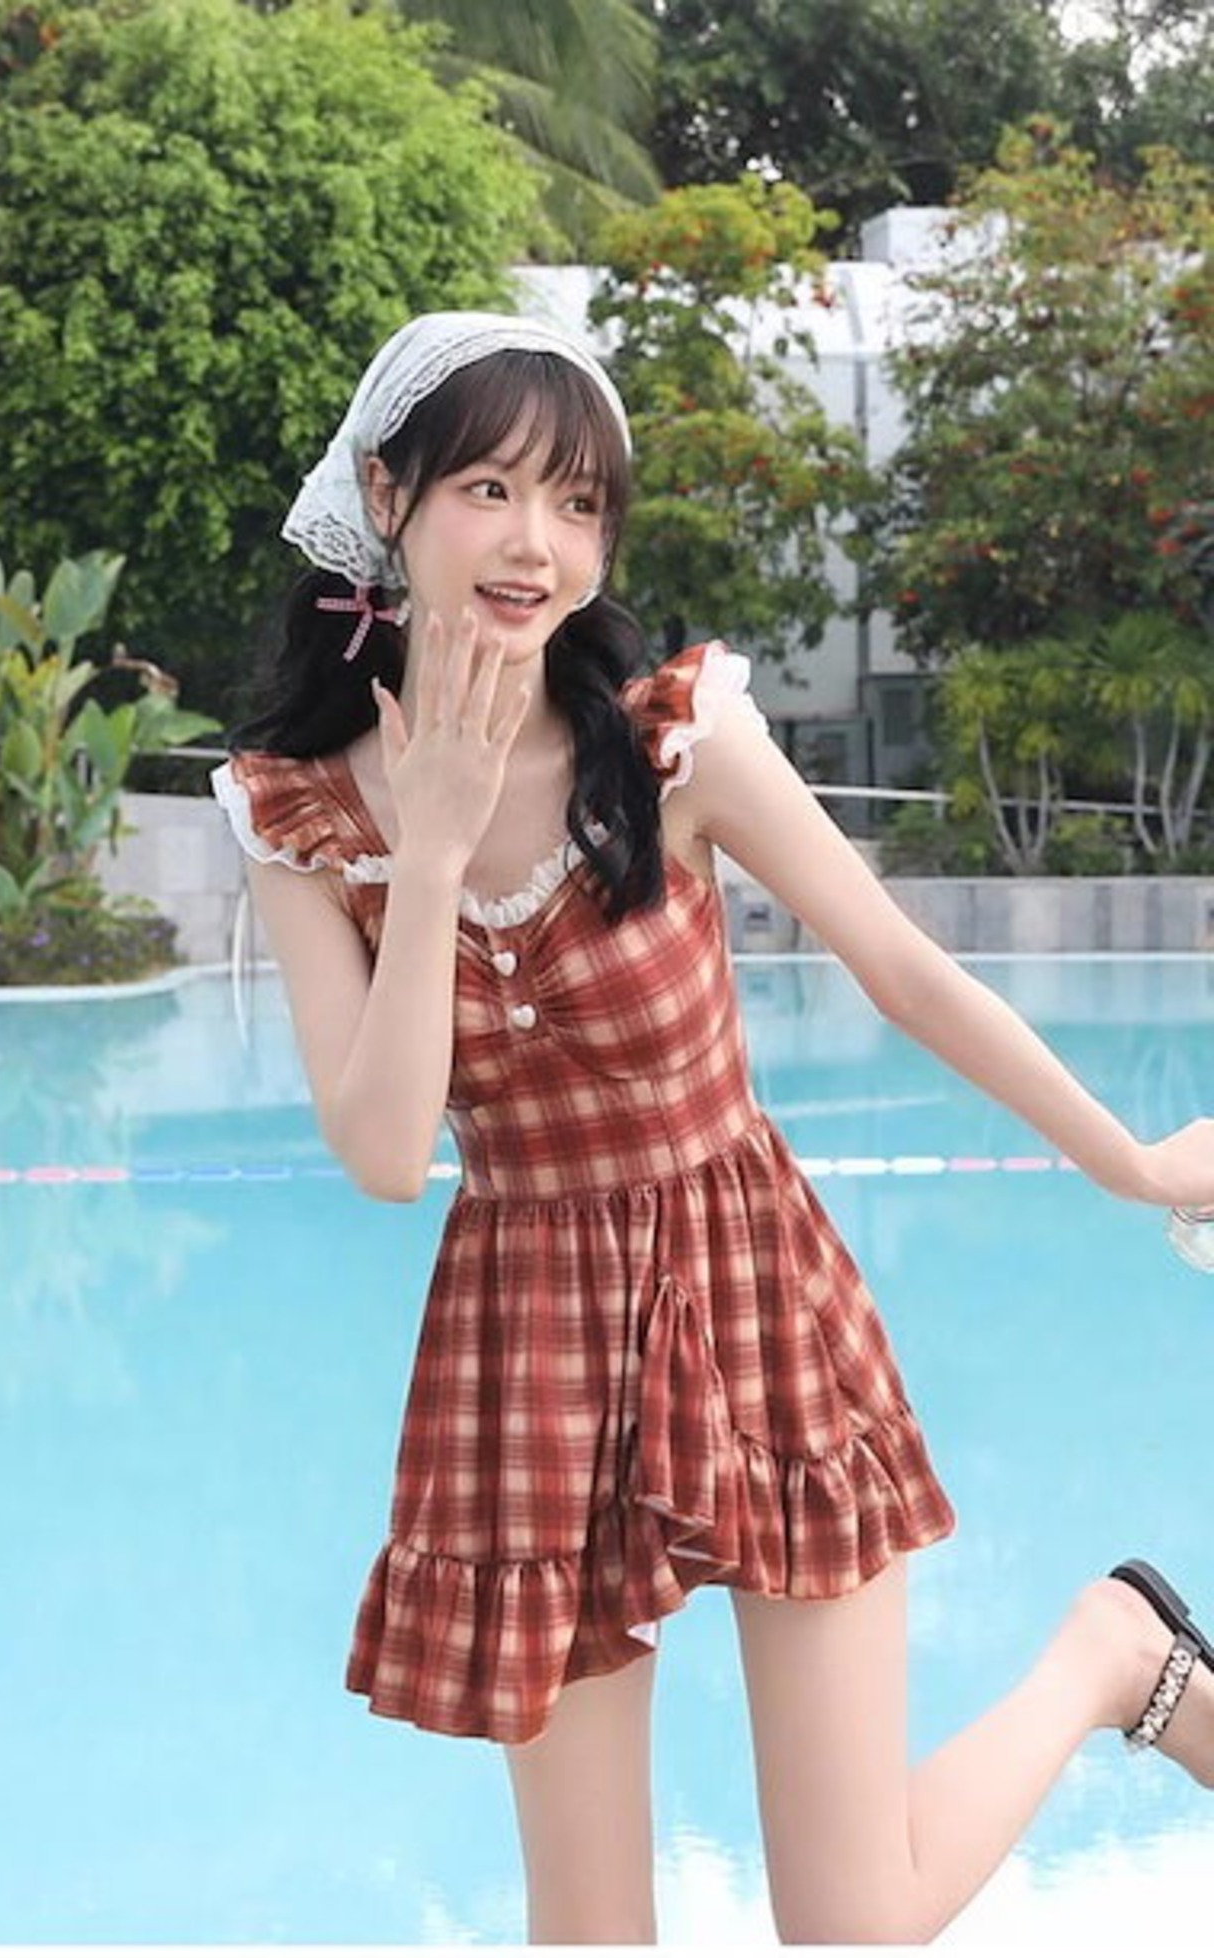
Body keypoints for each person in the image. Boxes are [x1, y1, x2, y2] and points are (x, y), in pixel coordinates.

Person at [212, 310, 1214, 1946]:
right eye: (488, 489)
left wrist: (1135, 1160)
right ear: (387, 497)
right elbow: (387, 1155)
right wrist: (436, 848)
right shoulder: (299, 812)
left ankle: (1112, 1653)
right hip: (528, 1342)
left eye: (578, 503)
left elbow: (899, 968)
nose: (537, 544)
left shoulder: (670, 737)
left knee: (853, 1923)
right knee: (592, 1929)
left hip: (749, 1291)